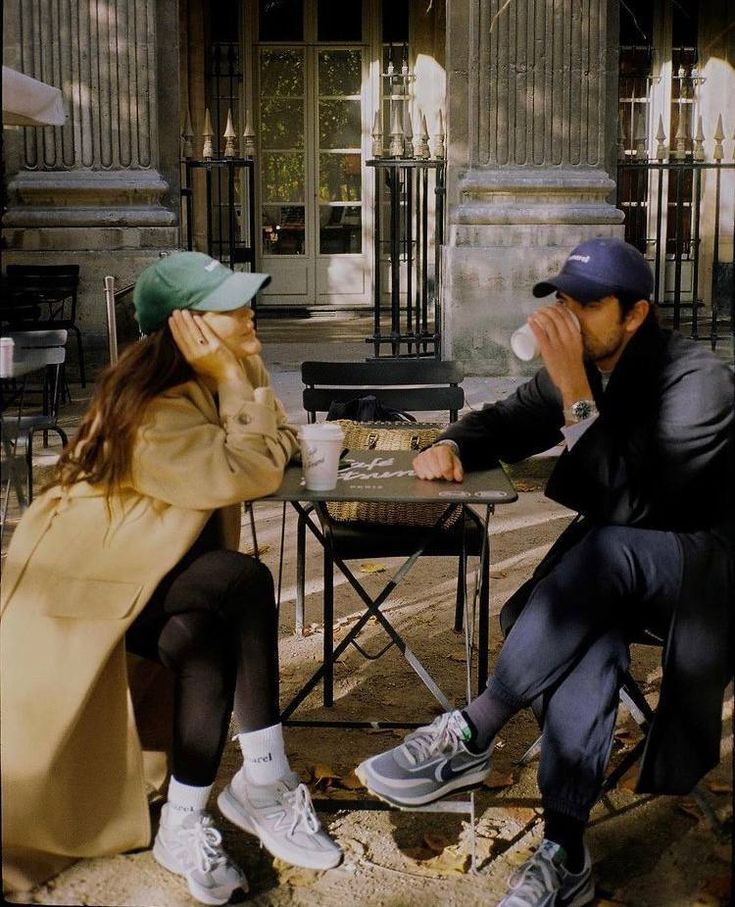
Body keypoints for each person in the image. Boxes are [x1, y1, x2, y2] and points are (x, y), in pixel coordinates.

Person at [356, 238, 734, 906]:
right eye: (560, 300)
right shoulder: (583, 364)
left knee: (604, 550)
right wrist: (449, 442)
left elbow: (637, 504)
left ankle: (473, 728)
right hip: (609, 578)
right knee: (571, 631)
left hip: (701, 568)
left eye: (586, 303)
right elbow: (503, 421)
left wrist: (576, 395)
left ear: (635, 313)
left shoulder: (696, 378)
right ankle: (564, 848)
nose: (566, 316)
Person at [1, 252, 342, 905]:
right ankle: (264, 782)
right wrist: (244, 392)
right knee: (238, 580)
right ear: (186, 326)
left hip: (148, 579)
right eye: (232, 305)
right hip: (87, 596)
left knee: (203, 634)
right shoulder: (153, 409)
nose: (248, 313)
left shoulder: (218, 376)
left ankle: (184, 819)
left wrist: (258, 398)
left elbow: (270, 445)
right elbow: (249, 471)